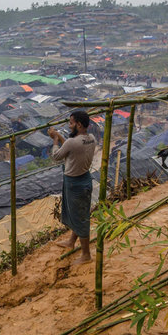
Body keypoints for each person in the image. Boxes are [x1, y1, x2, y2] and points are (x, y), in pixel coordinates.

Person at [47, 110, 96, 264]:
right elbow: (69, 147)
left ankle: (86, 255)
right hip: (85, 179)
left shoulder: (72, 142)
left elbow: (56, 156)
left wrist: (55, 140)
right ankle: (71, 242)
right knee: (79, 213)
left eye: (71, 123)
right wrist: (59, 137)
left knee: (80, 218)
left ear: (79, 124)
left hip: (74, 183)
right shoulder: (91, 138)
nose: (69, 126)